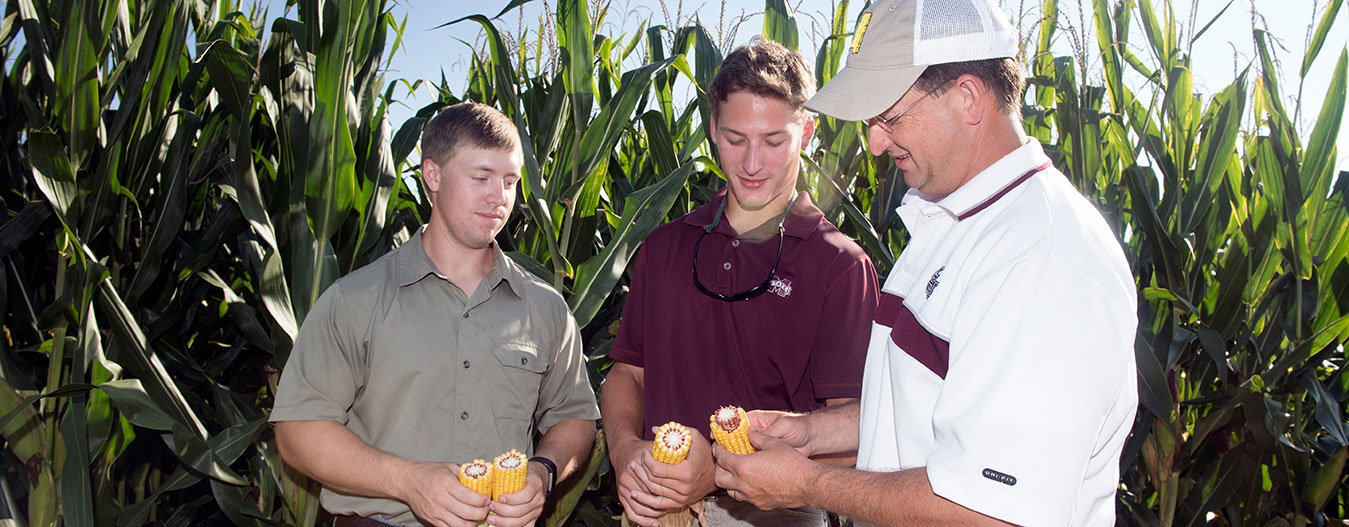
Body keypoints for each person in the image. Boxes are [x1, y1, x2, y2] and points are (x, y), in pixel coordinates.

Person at [711, 0, 1138, 526]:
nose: (874, 142)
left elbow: (988, 510)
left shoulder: (1039, 257)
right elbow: (928, 416)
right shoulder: (950, 222)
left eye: (889, 118)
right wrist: (814, 434)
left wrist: (807, 483)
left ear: (967, 98)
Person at [271, 102, 600, 527]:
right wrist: (408, 481)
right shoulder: (356, 299)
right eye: (481, 177)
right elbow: (298, 431)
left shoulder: (546, 308)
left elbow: (574, 415)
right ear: (433, 175)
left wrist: (544, 469)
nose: (499, 198)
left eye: (510, 181)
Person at [601, 38, 880, 527]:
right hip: (656, 508)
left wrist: (719, 470)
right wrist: (625, 452)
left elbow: (856, 433)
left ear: (807, 132)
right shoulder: (663, 247)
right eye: (735, 139)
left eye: (774, 142)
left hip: (774, 515)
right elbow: (628, 374)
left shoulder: (840, 266)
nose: (752, 164)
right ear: (712, 129)